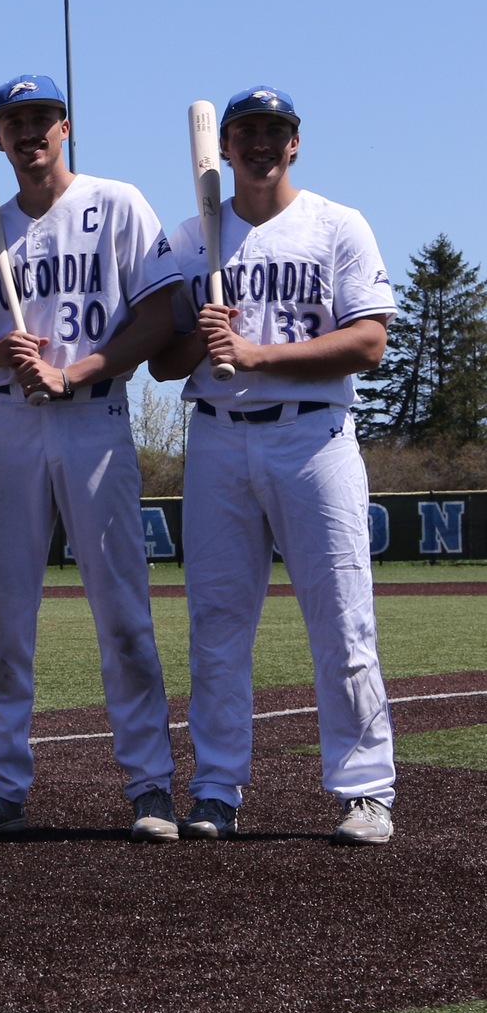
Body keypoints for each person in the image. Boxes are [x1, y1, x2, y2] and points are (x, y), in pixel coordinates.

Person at [150, 85, 397, 845]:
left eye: (273, 131)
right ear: (221, 148)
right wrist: (202, 332)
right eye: (244, 132)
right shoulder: (191, 237)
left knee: (341, 619)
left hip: (312, 436)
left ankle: (364, 790)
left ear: (294, 144)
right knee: (216, 625)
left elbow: (368, 342)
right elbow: (162, 363)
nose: (259, 143)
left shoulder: (335, 224)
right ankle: (216, 789)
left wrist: (258, 352)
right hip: (218, 437)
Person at [0, 75, 179, 841]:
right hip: (11, 424)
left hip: (93, 418)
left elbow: (157, 319)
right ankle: (1, 784)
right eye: (12, 121)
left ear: (65, 125)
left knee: (120, 611)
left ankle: (149, 784)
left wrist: (74, 369)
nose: (27, 132)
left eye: (40, 117)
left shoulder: (116, 204)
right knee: (3, 616)